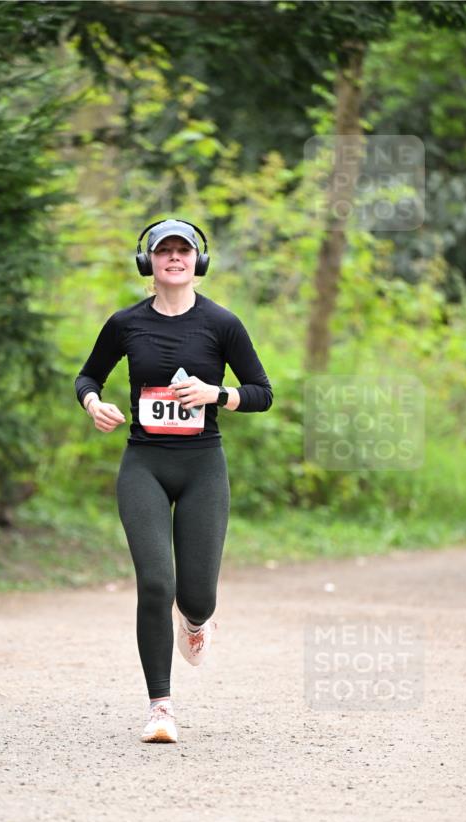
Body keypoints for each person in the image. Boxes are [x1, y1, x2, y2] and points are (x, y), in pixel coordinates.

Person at [75, 219, 272, 744]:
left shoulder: (222, 324)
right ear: (150, 263)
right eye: (165, 251)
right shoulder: (124, 323)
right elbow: (88, 376)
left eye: (184, 251)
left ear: (197, 262)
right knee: (156, 582)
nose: (175, 258)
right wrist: (95, 403)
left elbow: (261, 391)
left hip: (203, 467)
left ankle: (197, 622)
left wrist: (218, 395)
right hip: (144, 464)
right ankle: (160, 709)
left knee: (197, 596)